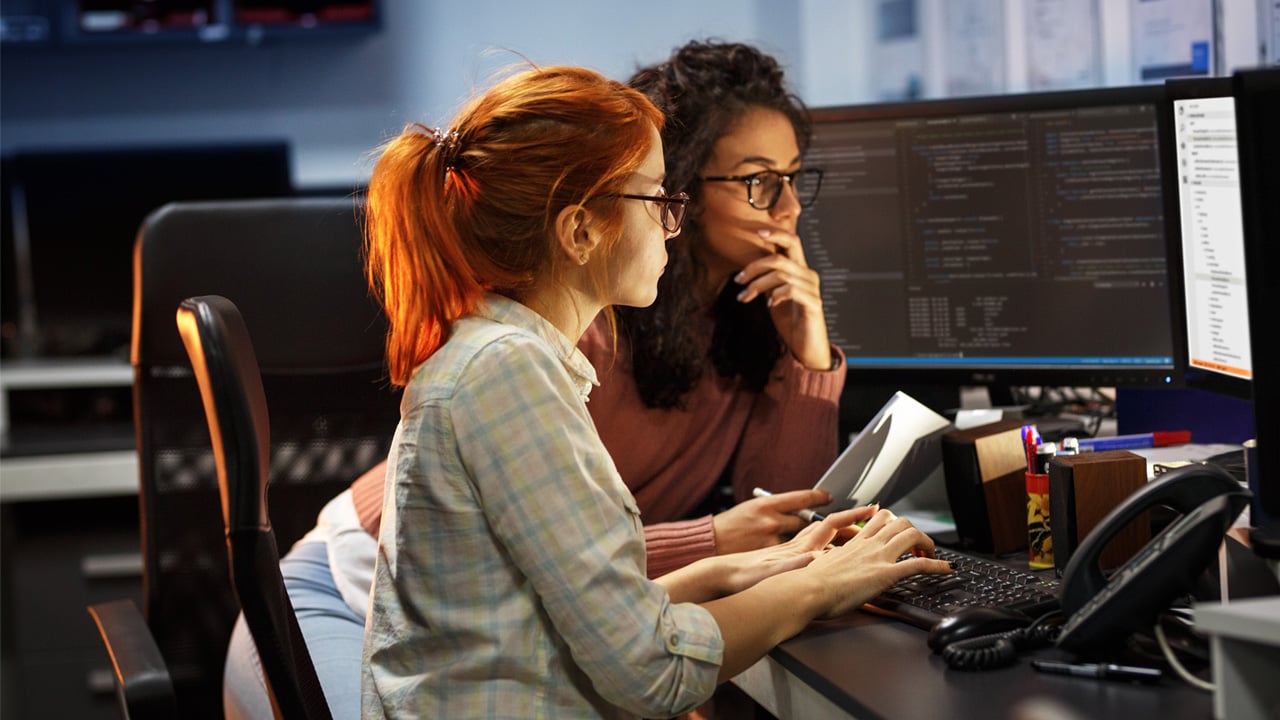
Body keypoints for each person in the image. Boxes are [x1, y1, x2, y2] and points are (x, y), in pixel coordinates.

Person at [223, 40, 852, 718]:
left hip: (486, 630)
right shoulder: (542, 348)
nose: (787, 208)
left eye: (795, 178)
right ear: (587, 229)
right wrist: (722, 549)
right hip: (346, 587)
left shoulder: (607, 330)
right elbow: (602, 613)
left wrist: (805, 358)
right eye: (758, 181)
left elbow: (777, 512)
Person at [353, 62, 947, 717]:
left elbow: (572, 602)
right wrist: (817, 587)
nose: (673, 221)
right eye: (660, 197)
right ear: (580, 232)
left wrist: (774, 567)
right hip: (347, 589)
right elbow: (651, 669)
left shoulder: (512, 356)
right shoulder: (509, 373)